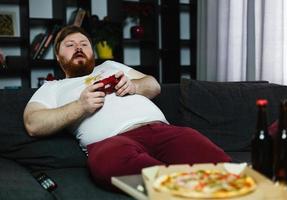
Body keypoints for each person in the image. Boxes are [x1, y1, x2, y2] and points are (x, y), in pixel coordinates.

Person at [24, 25, 231, 190]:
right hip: (111, 142)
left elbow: (154, 85)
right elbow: (33, 123)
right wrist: (80, 106)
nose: (78, 47)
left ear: (92, 51)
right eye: (69, 45)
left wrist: (135, 86)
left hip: (161, 130)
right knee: (109, 166)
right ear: (58, 57)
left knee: (223, 168)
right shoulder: (54, 87)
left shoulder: (111, 67)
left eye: (84, 44)